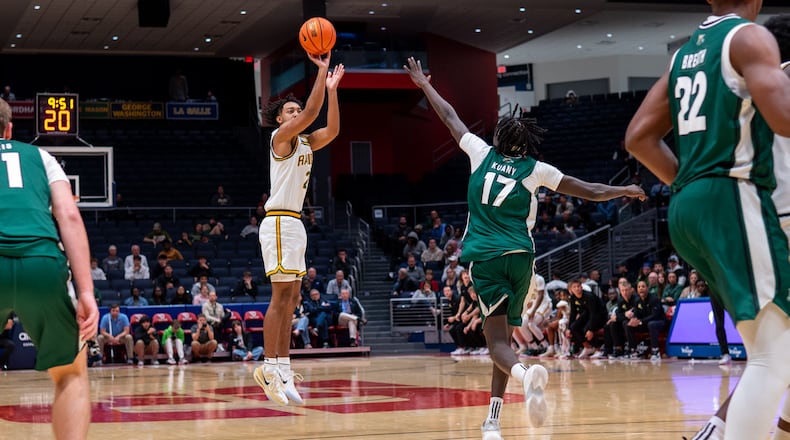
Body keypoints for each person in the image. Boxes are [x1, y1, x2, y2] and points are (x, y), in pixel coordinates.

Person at [404, 56, 646, 437]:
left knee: (497, 342)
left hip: (486, 257)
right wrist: (625, 190)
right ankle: (493, 421)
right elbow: (592, 190)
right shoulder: (536, 169)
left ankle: (525, 375)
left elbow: (450, 116)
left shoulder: (481, 153)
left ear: (500, 138)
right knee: (500, 338)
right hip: (522, 259)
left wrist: (423, 84)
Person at [624, 2, 790, 439]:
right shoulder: (749, 38)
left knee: (772, 350)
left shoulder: (684, 54)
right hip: (731, 197)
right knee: (773, 356)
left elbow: (638, 137)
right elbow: (784, 119)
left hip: (687, 204)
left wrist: (694, 182)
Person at [0, 95, 99, 438]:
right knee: (70, 373)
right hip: (42, 263)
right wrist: (86, 291)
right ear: (10, 129)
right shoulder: (40, 156)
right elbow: (69, 215)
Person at [252, 51, 344, 407]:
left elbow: (332, 129)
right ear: (280, 118)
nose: (296, 114)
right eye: (290, 111)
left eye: (295, 111)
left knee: (292, 299)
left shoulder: (305, 142)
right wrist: (320, 71)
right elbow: (309, 113)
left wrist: (332, 90)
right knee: (279, 298)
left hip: (294, 223)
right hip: (277, 222)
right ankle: (268, 368)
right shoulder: (280, 138)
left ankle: (284, 368)